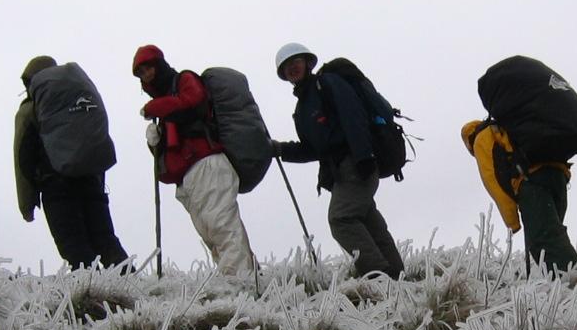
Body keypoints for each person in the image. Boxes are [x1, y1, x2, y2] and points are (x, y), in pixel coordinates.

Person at [273, 42, 404, 278]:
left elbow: (352, 115)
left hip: (355, 161)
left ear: (307, 63)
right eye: (287, 68)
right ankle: (396, 275)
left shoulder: (327, 84)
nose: (292, 69)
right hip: (341, 171)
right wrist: (281, 149)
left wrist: (364, 156)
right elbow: (313, 149)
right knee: (366, 218)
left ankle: (377, 275)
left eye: (296, 63)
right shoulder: (302, 108)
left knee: (341, 218)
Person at [132, 44, 257, 276]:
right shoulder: (166, 101)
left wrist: (156, 107)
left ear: (158, 65)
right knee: (210, 232)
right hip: (188, 175)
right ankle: (241, 278)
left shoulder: (183, 79)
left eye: (147, 68)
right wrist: (154, 144)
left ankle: (240, 281)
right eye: (140, 73)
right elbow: (169, 151)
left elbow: (194, 99)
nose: (145, 75)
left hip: (207, 163)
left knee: (221, 224)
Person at [14, 55, 130, 271]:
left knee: (74, 246)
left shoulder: (30, 109)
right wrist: (96, 179)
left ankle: (92, 297)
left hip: (56, 185)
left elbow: (23, 158)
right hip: (91, 181)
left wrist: (27, 205)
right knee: (106, 241)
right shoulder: (78, 96)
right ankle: (134, 292)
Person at [460, 119, 577, 273]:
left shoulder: (481, 138)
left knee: (542, 241)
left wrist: (512, 223)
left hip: (531, 180)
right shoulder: (505, 127)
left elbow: (494, 180)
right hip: (558, 174)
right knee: (553, 234)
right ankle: (570, 283)